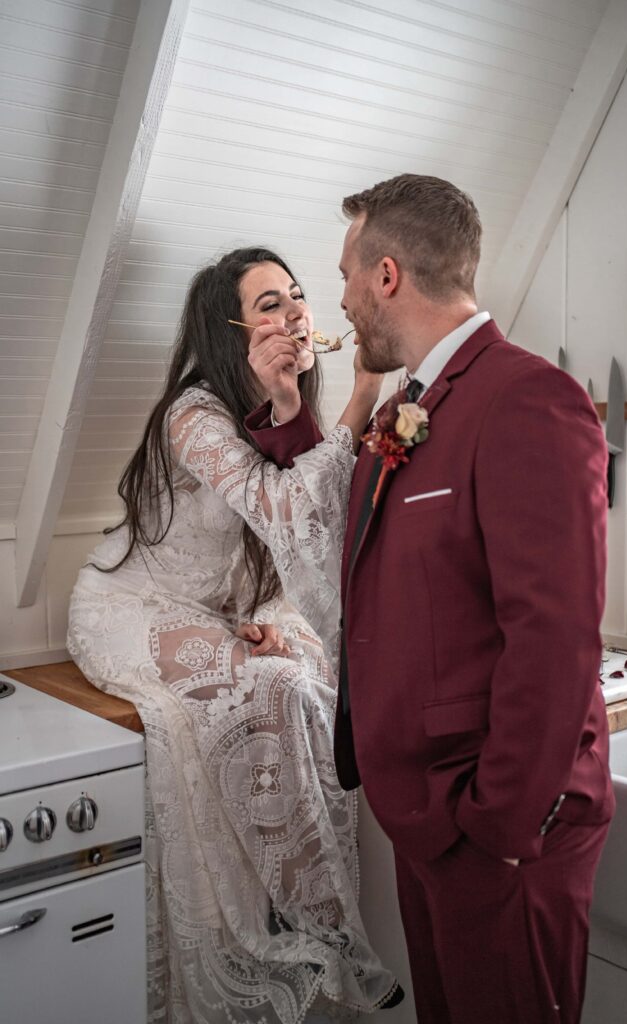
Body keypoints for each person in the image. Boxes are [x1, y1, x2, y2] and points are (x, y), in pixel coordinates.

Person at [245, 175, 616, 1024]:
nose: (335, 299)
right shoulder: (410, 407)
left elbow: (555, 641)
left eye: (343, 274)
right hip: (428, 820)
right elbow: (360, 548)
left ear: (385, 276)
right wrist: (290, 410)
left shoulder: (527, 399)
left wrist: (497, 825)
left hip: (499, 829)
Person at [66, 247, 403, 1024]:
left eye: (295, 296)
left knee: (306, 672)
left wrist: (272, 617)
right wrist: (361, 394)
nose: (292, 314)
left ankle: (315, 917)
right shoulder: (194, 414)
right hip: (128, 609)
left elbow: (305, 538)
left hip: (219, 611)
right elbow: (282, 505)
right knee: (272, 688)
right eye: (267, 305)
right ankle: (313, 931)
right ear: (227, 331)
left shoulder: (286, 406)